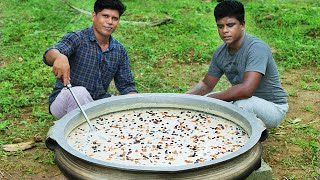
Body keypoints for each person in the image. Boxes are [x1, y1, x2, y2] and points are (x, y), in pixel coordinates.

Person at [186, 0, 288, 129]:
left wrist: (211, 99)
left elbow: (246, 90)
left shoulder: (257, 48)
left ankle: (255, 131)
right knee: (206, 99)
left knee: (240, 105)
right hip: (242, 100)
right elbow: (206, 85)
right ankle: (253, 126)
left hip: (272, 108)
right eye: (220, 26)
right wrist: (182, 100)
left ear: (242, 24)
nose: (225, 31)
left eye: (230, 25)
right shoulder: (220, 52)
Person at [43, 0, 138, 119]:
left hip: (97, 102)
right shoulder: (78, 38)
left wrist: (133, 102)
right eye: (105, 16)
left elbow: (127, 86)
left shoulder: (119, 50)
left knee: (125, 104)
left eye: (114, 18)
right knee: (80, 93)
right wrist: (59, 57)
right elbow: (50, 54)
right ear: (94, 16)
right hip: (66, 99)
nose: (109, 22)